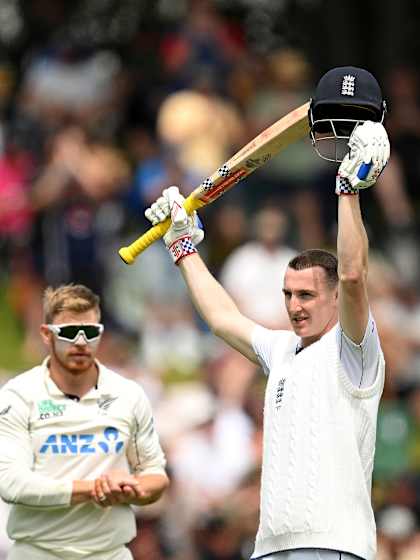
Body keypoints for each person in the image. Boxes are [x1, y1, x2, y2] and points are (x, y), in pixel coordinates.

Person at [144, 67, 390, 560]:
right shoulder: (281, 350)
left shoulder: (355, 351)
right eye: (288, 295)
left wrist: (348, 193)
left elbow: (355, 274)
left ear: (334, 300)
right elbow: (222, 319)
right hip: (270, 549)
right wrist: (183, 246)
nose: (295, 307)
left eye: (307, 296)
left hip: (332, 548)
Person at [0, 283, 169, 560]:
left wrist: (129, 489)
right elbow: (12, 484)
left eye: (90, 333)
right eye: (68, 333)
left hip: (110, 553)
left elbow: (155, 475)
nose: (80, 342)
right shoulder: (18, 395)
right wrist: (94, 489)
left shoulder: (128, 394)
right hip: (38, 553)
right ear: (46, 334)